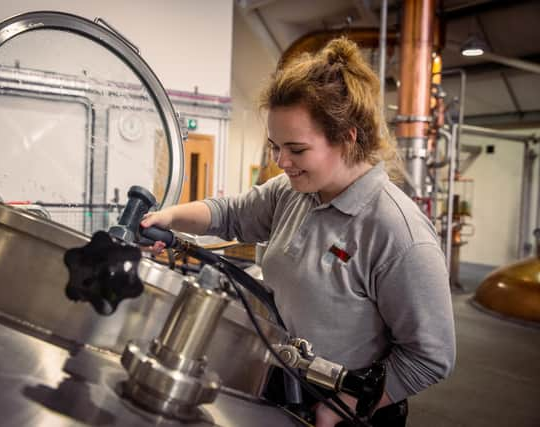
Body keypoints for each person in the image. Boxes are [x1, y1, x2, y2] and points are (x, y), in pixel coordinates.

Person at [141, 37, 455, 427]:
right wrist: (168, 217)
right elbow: (231, 213)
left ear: (347, 137)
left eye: (296, 149)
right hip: (282, 389)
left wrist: (343, 404)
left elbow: (431, 354)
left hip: (344, 412)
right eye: (275, 146)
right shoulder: (295, 192)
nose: (281, 161)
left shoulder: (397, 233)